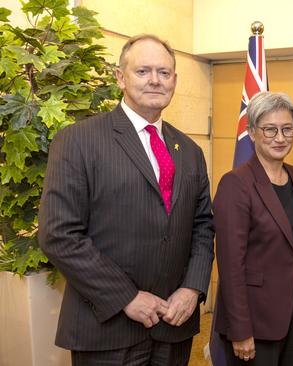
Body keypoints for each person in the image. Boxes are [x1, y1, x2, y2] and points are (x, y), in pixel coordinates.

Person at [38, 34, 214, 365]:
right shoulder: (78, 140)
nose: (154, 80)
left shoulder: (189, 151)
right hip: (108, 328)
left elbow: (203, 225)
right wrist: (126, 297)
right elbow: (58, 234)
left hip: (173, 327)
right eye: (143, 71)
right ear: (120, 77)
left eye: (164, 72)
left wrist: (192, 289)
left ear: (174, 80)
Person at [210, 91, 293, 366]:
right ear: (252, 132)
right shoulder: (236, 183)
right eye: (270, 129)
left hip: (292, 312)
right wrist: (240, 330)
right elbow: (231, 264)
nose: (280, 138)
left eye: (287, 129)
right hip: (254, 320)